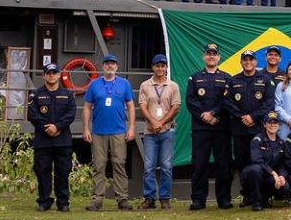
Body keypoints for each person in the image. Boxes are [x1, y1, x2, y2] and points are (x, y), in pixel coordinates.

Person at [83, 55, 136, 211]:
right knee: (98, 166)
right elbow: (87, 107)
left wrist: (132, 127)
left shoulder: (124, 83)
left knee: (119, 164)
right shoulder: (94, 84)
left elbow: (131, 106)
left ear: (117, 67)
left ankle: (122, 199)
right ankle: (97, 201)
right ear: (103, 66)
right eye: (107, 64)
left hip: (118, 131)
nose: (110, 66)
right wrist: (85, 128)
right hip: (98, 131)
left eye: (113, 64)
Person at [185, 43, 234, 210]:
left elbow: (228, 101)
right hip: (201, 129)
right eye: (209, 53)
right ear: (203, 56)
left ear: (219, 57)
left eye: (214, 54)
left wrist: (213, 113)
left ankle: (224, 199)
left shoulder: (227, 78)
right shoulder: (194, 78)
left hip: (222, 128)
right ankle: (198, 199)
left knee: (224, 165)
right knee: (199, 164)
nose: (211, 56)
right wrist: (204, 116)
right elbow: (190, 101)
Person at [226, 49, 276, 208]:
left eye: (250, 60)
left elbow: (269, 102)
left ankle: (262, 196)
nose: (248, 62)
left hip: (258, 130)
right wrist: (242, 117)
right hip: (240, 129)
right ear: (241, 62)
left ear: (255, 62)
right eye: (245, 60)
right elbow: (228, 102)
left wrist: (253, 117)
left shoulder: (265, 80)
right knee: (242, 163)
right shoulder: (233, 80)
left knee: (260, 162)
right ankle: (247, 195)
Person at [28, 63, 76, 212]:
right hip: (43, 140)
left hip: (62, 141)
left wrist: (57, 127)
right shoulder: (36, 94)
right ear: (44, 76)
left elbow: (71, 114)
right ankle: (44, 202)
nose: (51, 75)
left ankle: (63, 202)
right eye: (48, 73)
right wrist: (47, 128)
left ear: (59, 75)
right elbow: (33, 115)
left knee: (63, 172)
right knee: (42, 172)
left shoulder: (68, 94)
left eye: (54, 73)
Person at [137, 54, 181, 210]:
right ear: (153, 67)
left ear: (166, 67)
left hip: (167, 131)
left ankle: (164, 198)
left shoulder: (173, 86)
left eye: (163, 66)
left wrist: (160, 123)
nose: (160, 68)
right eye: (157, 66)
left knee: (166, 166)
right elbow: (142, 106)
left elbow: (176, 107)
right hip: (150, 132)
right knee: (148, 166)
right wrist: (153, 122)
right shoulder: (145, 85)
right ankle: (149, 198)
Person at [241, 111, 290, 211]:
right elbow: (257, 160)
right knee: (255, 169)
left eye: (275, 122)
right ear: (264, 124)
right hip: (255, 175)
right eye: (269, 122)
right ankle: (256, 201)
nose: (272, 125)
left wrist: (281, 176)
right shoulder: (257, 140)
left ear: (279, 125)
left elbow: (283, 163)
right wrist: (273, 173)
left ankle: (264, 197)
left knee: (285, 187)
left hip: (269, 177)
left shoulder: (281, 143)